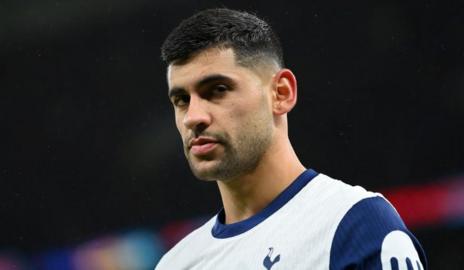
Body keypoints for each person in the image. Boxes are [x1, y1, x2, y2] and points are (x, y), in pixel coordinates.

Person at [156, 8, 427, 270]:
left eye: (218, 90)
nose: (193, 117)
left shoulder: (354, 225)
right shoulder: (176, 263)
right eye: (181, 100)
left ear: (281, 93)